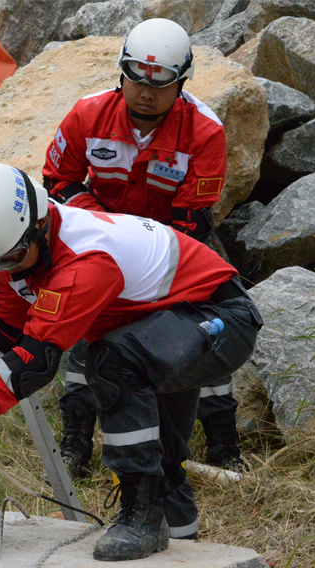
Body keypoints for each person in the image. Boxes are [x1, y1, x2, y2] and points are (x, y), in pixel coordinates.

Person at [0, 163, 262, 561]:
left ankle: (141, 520)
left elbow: (32, 362)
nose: (6, 272)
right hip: (165, 322)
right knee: (162, 458)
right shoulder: (19, 246)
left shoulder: (85, 259)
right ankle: (184, 557)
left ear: (40, 223)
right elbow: (6, 330)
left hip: (219, 318)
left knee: (112, 362)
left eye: (12, 259)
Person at [42, 18, 245, 481]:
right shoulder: (85, 116)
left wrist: (149, 272)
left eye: (161, 82)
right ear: (121, 72)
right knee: (85, 332)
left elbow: (193, 217)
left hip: (176, 243)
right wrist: (105, 227)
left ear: (182, 83)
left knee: (201, 327)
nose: (146, 92)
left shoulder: (205, 132)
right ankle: (75, 442)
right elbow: (58, 181)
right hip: (101, 240)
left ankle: (222, 444)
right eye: (136, 76)